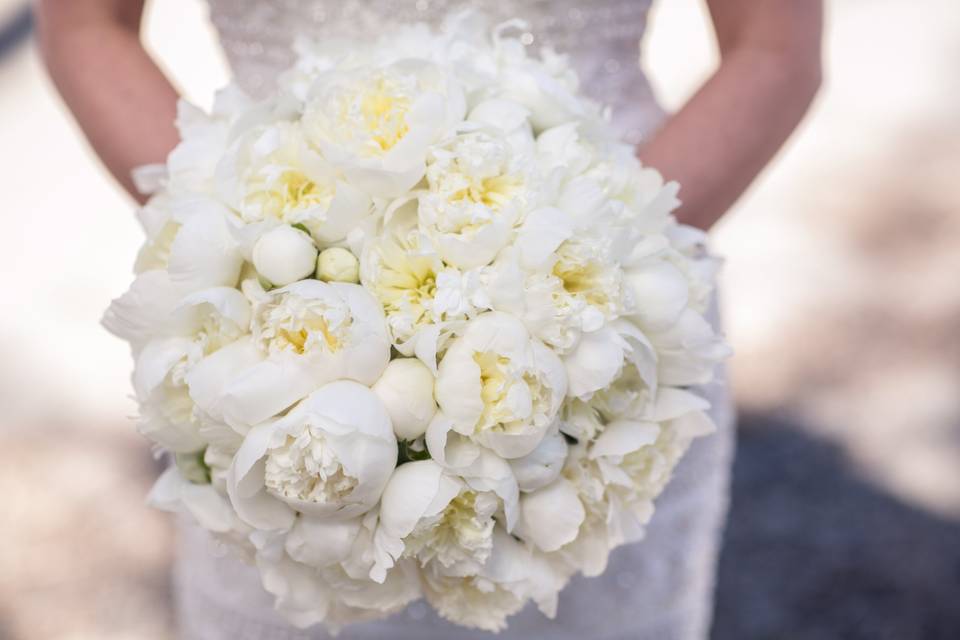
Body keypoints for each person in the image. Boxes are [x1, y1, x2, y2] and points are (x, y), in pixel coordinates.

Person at [36, 1, 822, 638]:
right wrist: (234, 243)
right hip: (273, 334)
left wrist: (596, 262)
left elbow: (773, 49)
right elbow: (82, 22)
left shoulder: (604, 292)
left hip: (601, 320)